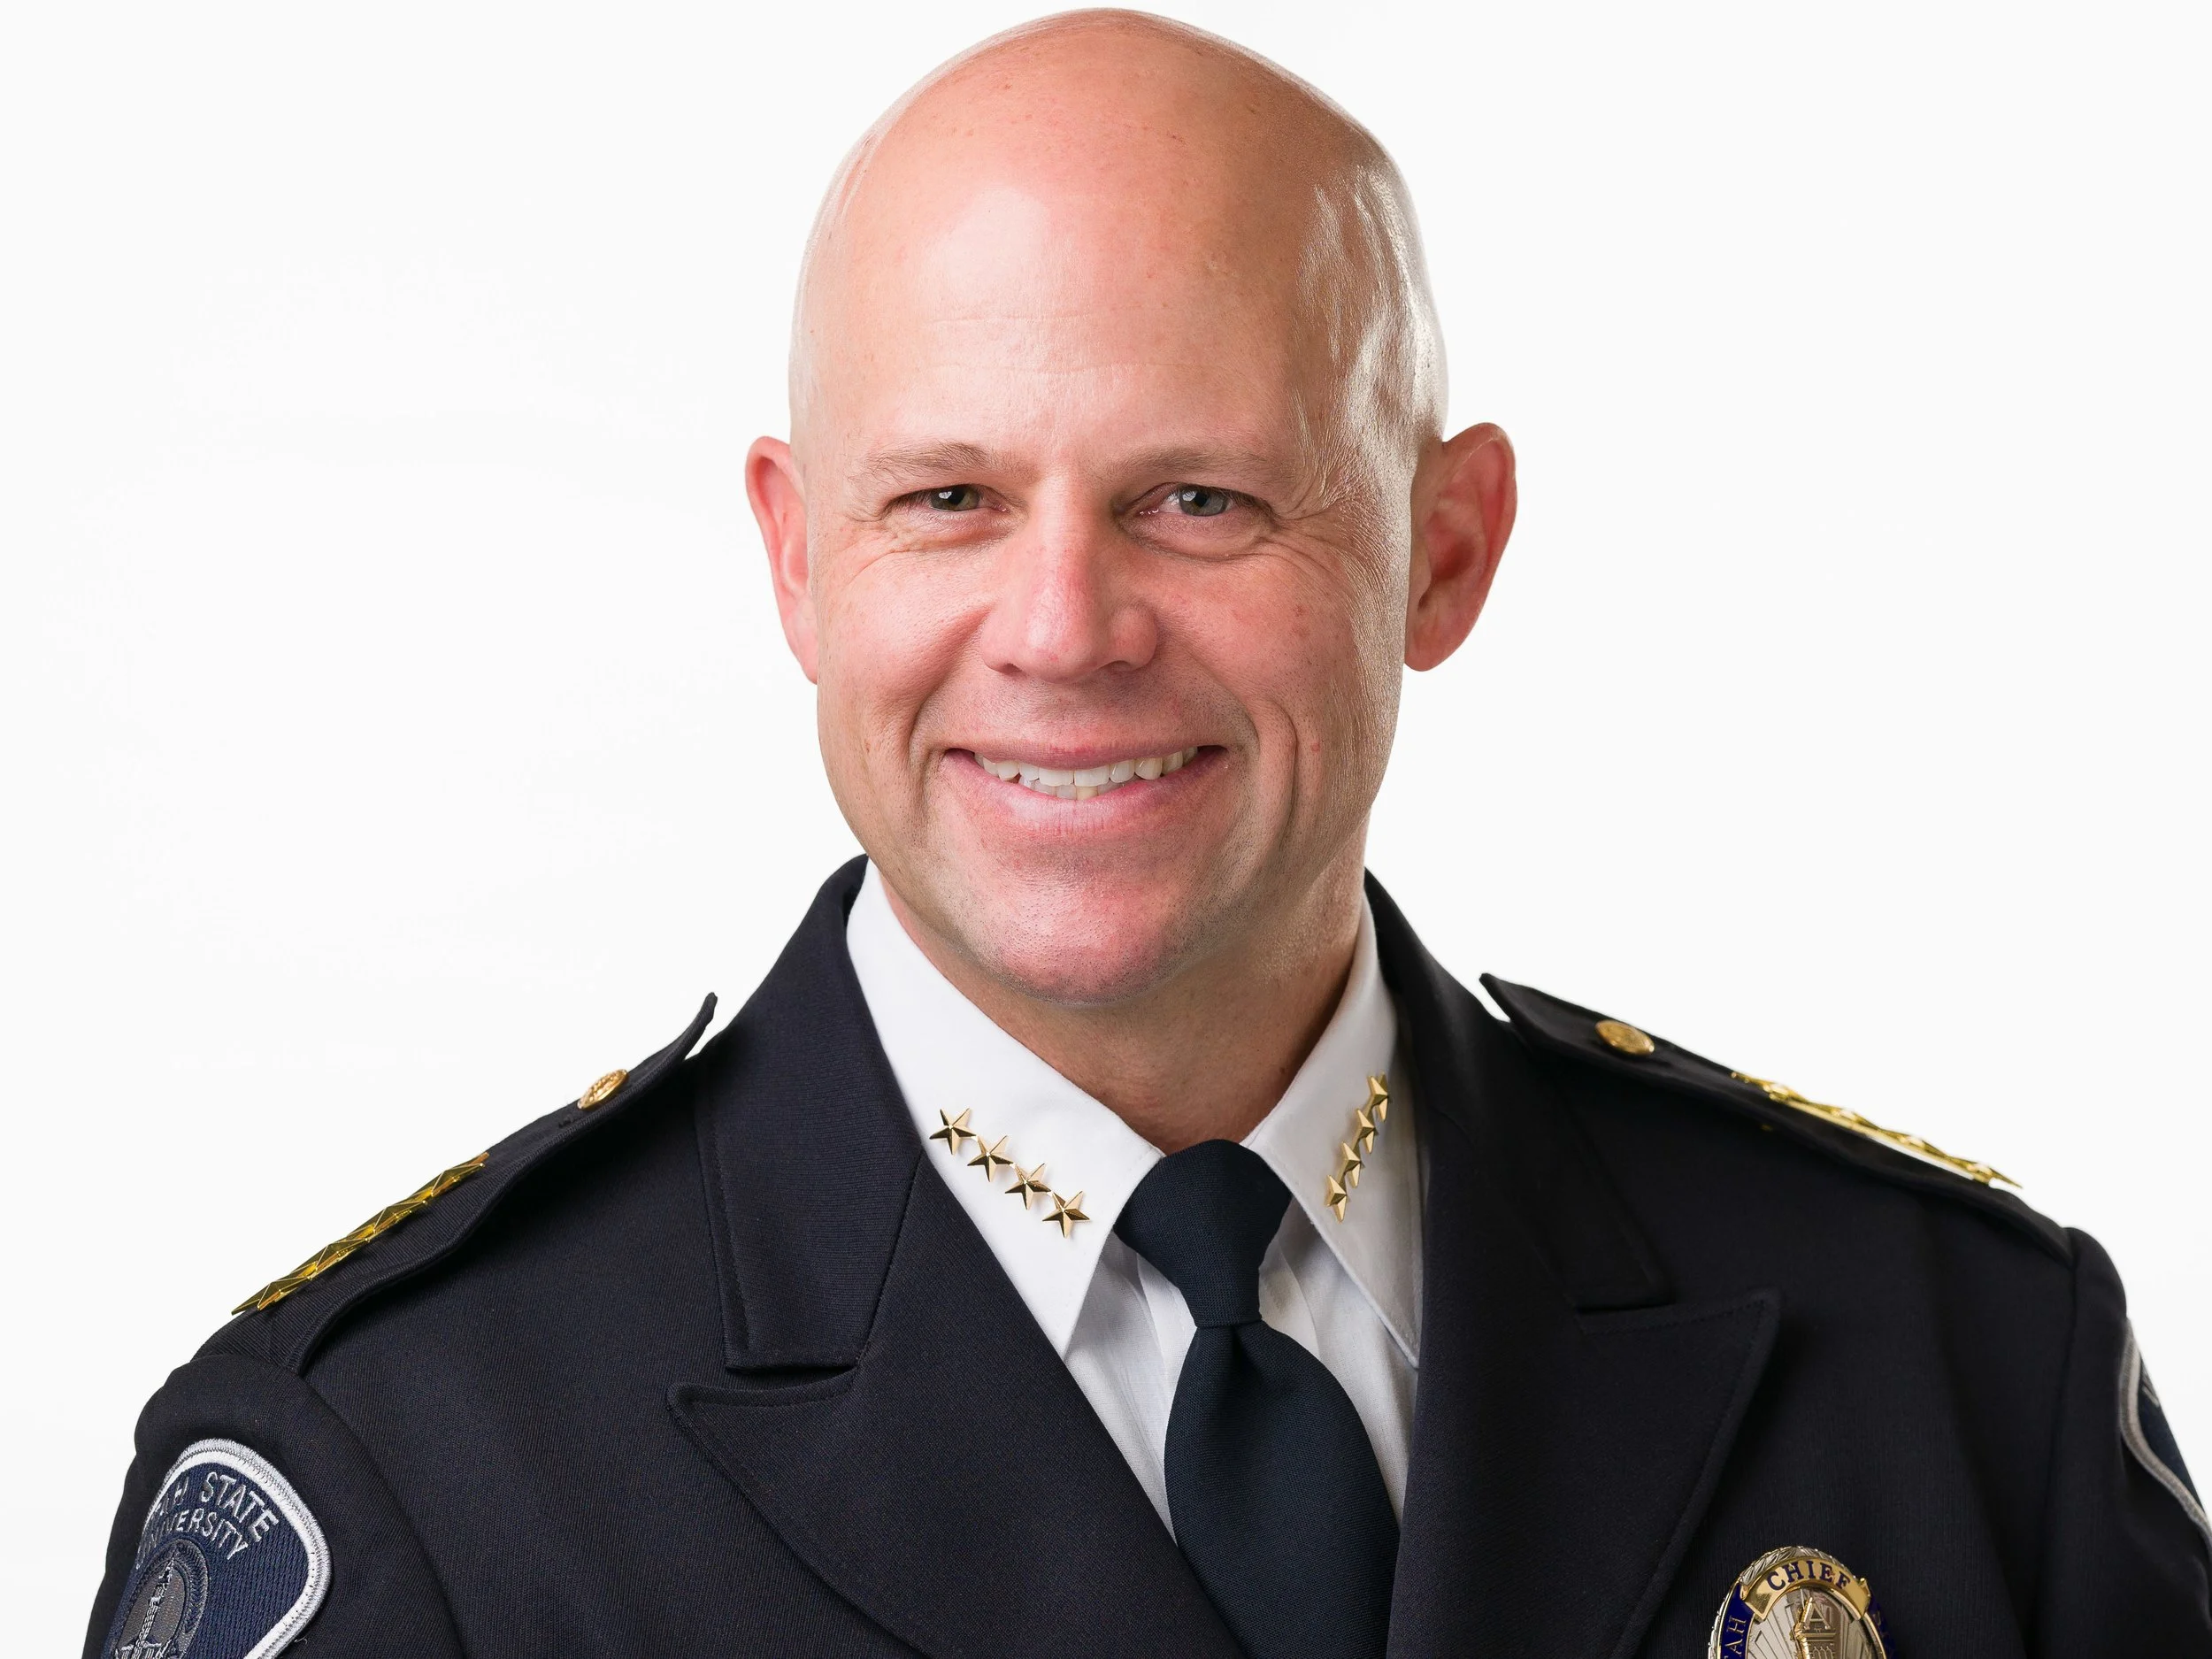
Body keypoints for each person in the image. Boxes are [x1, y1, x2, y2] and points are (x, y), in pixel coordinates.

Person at [83, 12, 2208, 1658]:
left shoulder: (1952, 1366)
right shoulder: (407, 1459)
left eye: (1199, 496)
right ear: (798, 562)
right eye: (945, 498)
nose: (1063, 629)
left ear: (1439, 552)